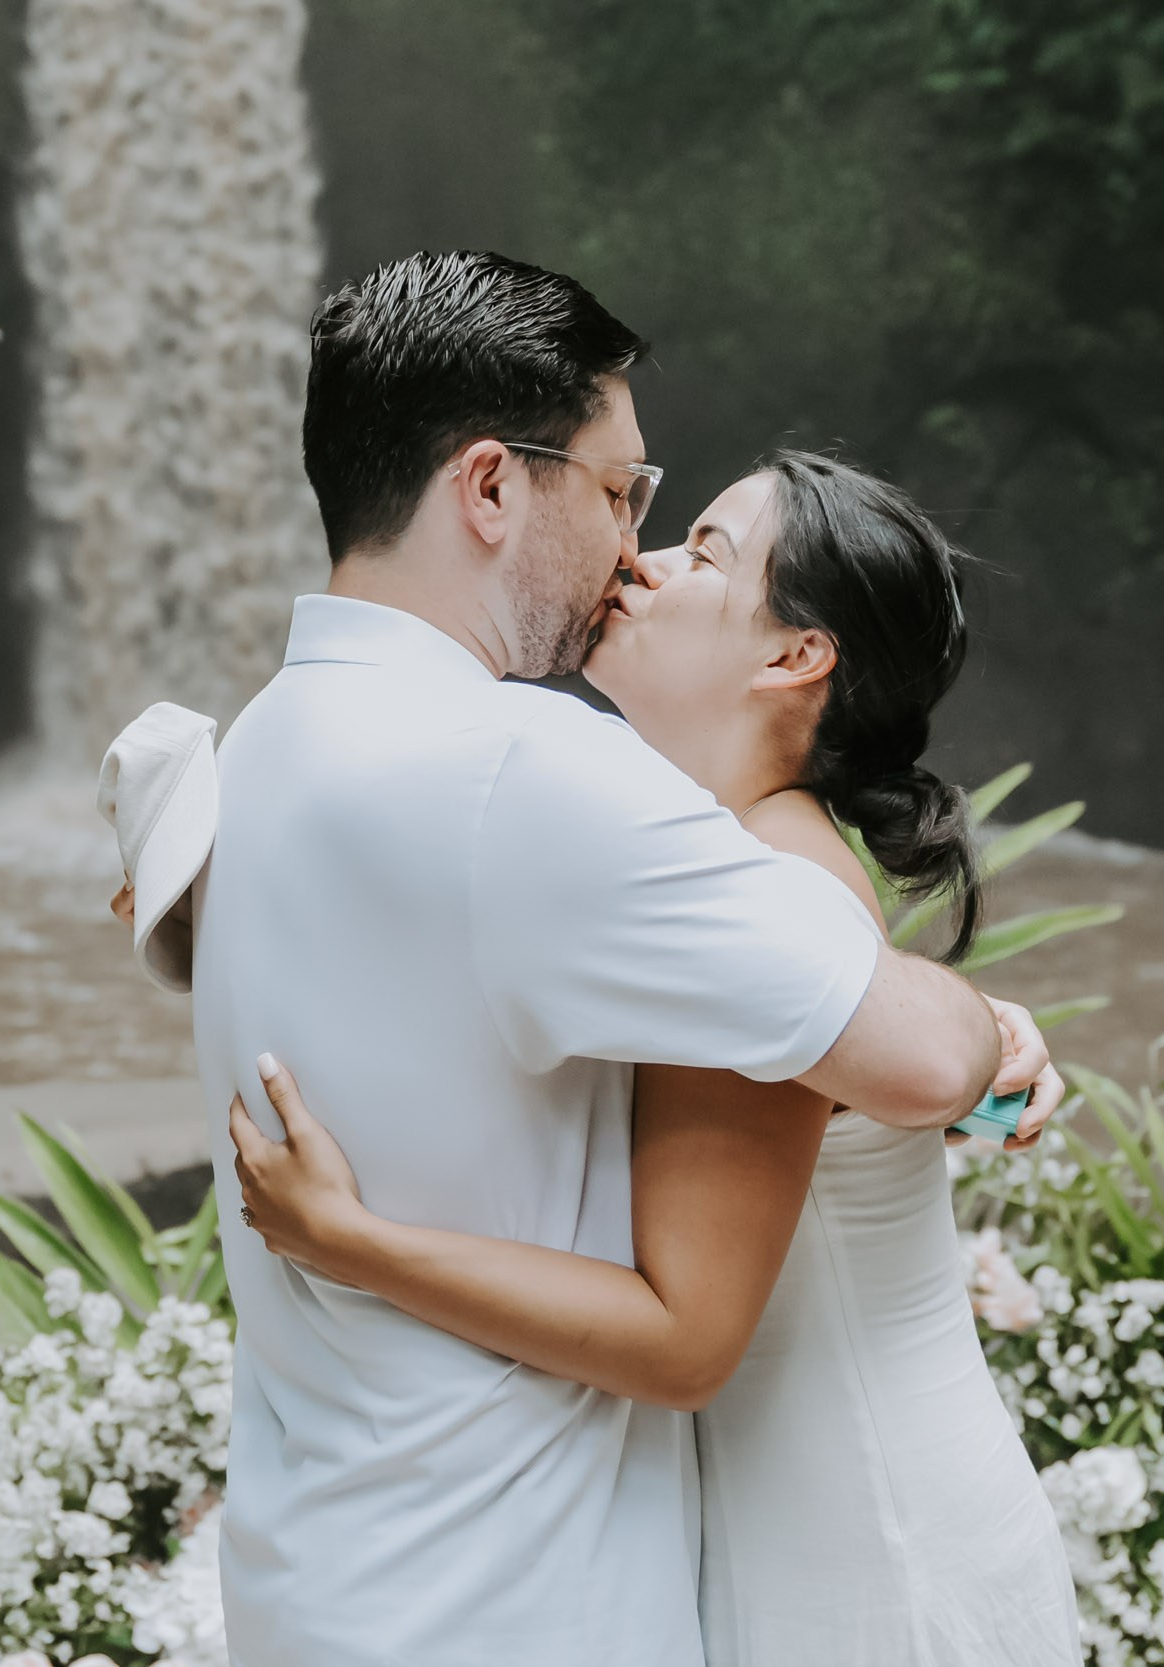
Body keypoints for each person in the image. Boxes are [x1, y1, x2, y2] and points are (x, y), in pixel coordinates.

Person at [152, 250, 1058, 1667]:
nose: (633, 552)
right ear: (493, 488)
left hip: (319, 1579)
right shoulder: (526, 778)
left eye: (683, 533)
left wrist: (984, 1049)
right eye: (625, 493)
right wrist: (985, 1044)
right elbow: (924, 1056)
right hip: (511, 1601)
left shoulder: (261, 744)